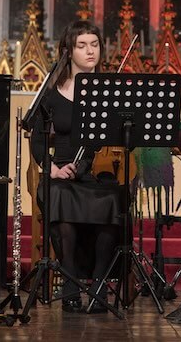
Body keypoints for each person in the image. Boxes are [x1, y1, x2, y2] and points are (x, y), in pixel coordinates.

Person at [30, 20, 123, 314]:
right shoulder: (52, 90)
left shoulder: (109, 90)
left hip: (95, 172)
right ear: (69, 51)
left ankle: (98, 286)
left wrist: (84, 163)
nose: (90, 51)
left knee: (113, 199)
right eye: (82, 45)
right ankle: (70, 283)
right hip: (59, 172)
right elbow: (36, 138)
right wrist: (51, 169)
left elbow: (115, 137)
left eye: (94, 45)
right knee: (58, 195)